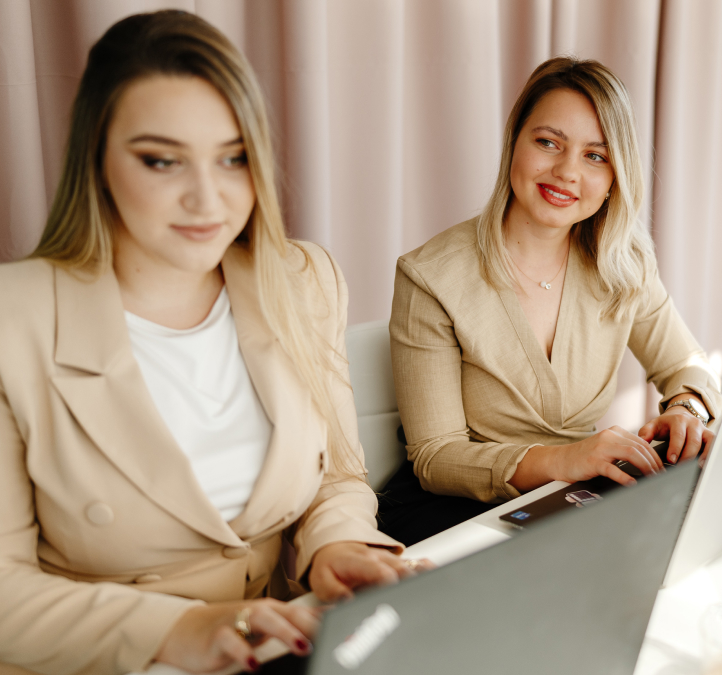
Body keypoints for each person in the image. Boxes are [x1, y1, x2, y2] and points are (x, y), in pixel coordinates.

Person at [0, 11, 417, 675]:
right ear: (96, 158)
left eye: (234, 158)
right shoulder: (12, 321)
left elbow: (335, 475)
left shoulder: (303, 280)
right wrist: (184, 626)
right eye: (162, 160)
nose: (207, 198)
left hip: (285, 644)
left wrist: (336, 546)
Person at [383, 57, 722, 546]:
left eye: (595, 156)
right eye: (548, 143)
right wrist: (565, 459)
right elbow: (437, 457)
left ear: (614, 178)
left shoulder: (623, 261)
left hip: (574, 497)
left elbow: (687, 364)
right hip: (455, 512)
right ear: (514, 146)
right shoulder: (430, 276)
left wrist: (688, 411)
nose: (566, 172)